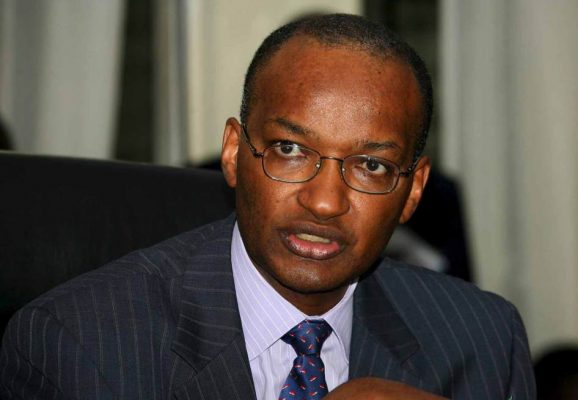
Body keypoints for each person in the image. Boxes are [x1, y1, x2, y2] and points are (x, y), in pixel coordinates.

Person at [0, 14, 535, 399]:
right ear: (234, 153)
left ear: (413, 189)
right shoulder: (77, 345)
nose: (324, 202)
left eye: (371, 165)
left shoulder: (484, 341)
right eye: (291, 150)